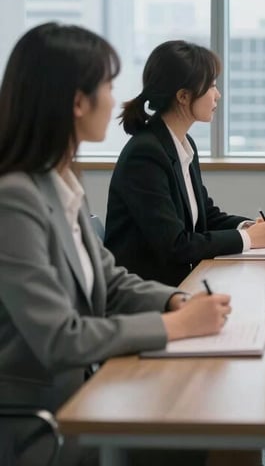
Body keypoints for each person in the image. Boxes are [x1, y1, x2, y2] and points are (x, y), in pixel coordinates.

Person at [0, 23, 232, 466]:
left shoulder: (59, 178)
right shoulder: (14, 199)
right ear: (76, 101)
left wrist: (175, 301)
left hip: (86, 389)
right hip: (43, 420)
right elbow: (59, 339)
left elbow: (109, 278)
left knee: (202, 419)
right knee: (194, 429)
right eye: (106, 85)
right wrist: (174, 327)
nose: (114, 97)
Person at [106, 40, 265, 286]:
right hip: (148, 292)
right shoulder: (145, 154)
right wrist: (248, 239)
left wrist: (249, 226)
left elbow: (205, 217)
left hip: (180, 281)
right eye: (211, 86)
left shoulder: (180, 143)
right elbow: (175, 245)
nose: (217, 94)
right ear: (183, 96)